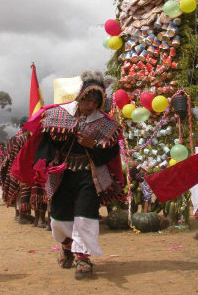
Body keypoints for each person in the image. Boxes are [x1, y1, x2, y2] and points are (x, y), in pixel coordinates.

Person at [12, 71, 124, 280]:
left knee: (85, 217)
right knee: (58, 219)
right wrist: (43, 164)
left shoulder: (106, 124)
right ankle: (68, 246)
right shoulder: (58, 114)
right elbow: (45, 143)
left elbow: (110, 153)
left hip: (89, 175)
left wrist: (94, 145)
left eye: (95, 102)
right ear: (80, 97)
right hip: (61, 174)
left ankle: (83, 258)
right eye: (87, 100)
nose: (90, 105)